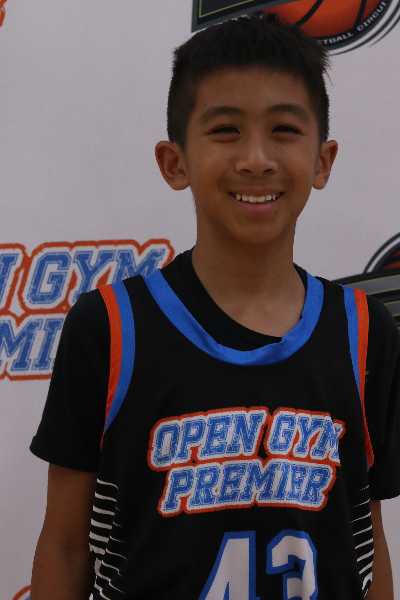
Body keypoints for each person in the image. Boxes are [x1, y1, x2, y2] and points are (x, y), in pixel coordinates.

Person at [29, 13, 399, 600]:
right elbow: (65, 544)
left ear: (323, 161)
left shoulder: (364, 332)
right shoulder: (109, 328)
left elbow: (366, 535)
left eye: (284, 129)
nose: (256, 158)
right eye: (225, 129)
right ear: (174, 162)